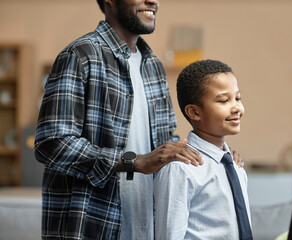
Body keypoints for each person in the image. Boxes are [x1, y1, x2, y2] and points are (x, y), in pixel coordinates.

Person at [34, 0, 204, 239]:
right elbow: (51, 144)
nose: (153, 1)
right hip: (91, 229)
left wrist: (220, 157)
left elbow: (167, 143)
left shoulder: (153, 65)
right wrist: (133, 162)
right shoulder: (81, 55)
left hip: (148, 229)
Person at [154, 59, 253, 240]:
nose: (237, 107)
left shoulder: (236, 166)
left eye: (238, 98)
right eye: (224, 100)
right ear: (194, 112)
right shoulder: (180, 169)